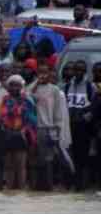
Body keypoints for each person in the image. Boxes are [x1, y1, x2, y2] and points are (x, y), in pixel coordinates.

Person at [28, 63, 71, 191]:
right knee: (39, 159)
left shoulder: (54, 90)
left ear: (50, 73)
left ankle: (50, 186)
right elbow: (26, 94)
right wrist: (36, 82)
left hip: (50, 128)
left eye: (45, 72)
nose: (43, 75)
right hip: (36, 128)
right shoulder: (33, 89)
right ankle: (41, 186)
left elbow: (58, 111)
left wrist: (58, 128)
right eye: (40, 72)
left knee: (50, 159)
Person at [0, 75, 37, 190]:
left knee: (21, 165)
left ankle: (21, 190)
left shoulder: (27, 100)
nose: (14, 88)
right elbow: (0, 116)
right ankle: (10, 189)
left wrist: (25, 131)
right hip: (8, 134)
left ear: (22, 86)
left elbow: (32, 120)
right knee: (9, 165)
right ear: (8, 87)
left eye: (17, 85)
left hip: (22, 135)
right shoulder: (5, 99)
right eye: (12, 85)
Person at [64, 60, 97, 191]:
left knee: (82, 156)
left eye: (81, 70)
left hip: (82, 127)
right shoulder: (67, 86)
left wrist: (85, 118)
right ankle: (70, 183)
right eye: (76, 69)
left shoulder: (90, 86)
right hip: (69, 125)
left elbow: (94, 106)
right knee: (69, 155)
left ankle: (81, 185)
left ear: (84, 72)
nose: (78, 72)